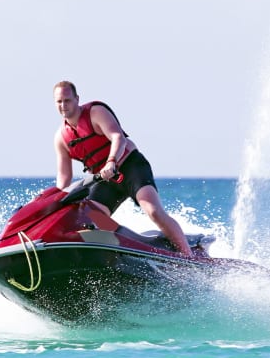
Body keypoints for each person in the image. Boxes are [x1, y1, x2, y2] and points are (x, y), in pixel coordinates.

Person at [53, 80, 194, 258]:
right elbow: (64, 175)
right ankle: (128, 246)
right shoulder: (61, 138)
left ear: (77, 99)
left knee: (154, 211)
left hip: (130, 166)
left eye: (67, 100)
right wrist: (57, 197)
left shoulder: (96, 113)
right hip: (105, 180)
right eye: (59, 102)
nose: (64, 105)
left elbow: (117, 137)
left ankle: (188, 256)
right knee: (90, 216)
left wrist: (111, 161)